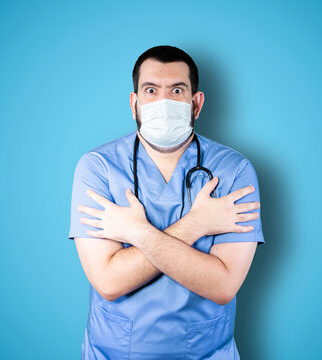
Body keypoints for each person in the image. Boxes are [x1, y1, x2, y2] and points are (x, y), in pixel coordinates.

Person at [68, 45, 265, 360]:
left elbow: (223, 286)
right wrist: (197, 224)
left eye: (177, 90)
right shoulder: (97, 167)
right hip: (115, 352)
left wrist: (136, 232)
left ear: (195, 104)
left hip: (205, 353)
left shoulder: (234, 170)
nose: (164, 102)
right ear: (135, 104)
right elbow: (109, 281)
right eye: (151, 90)